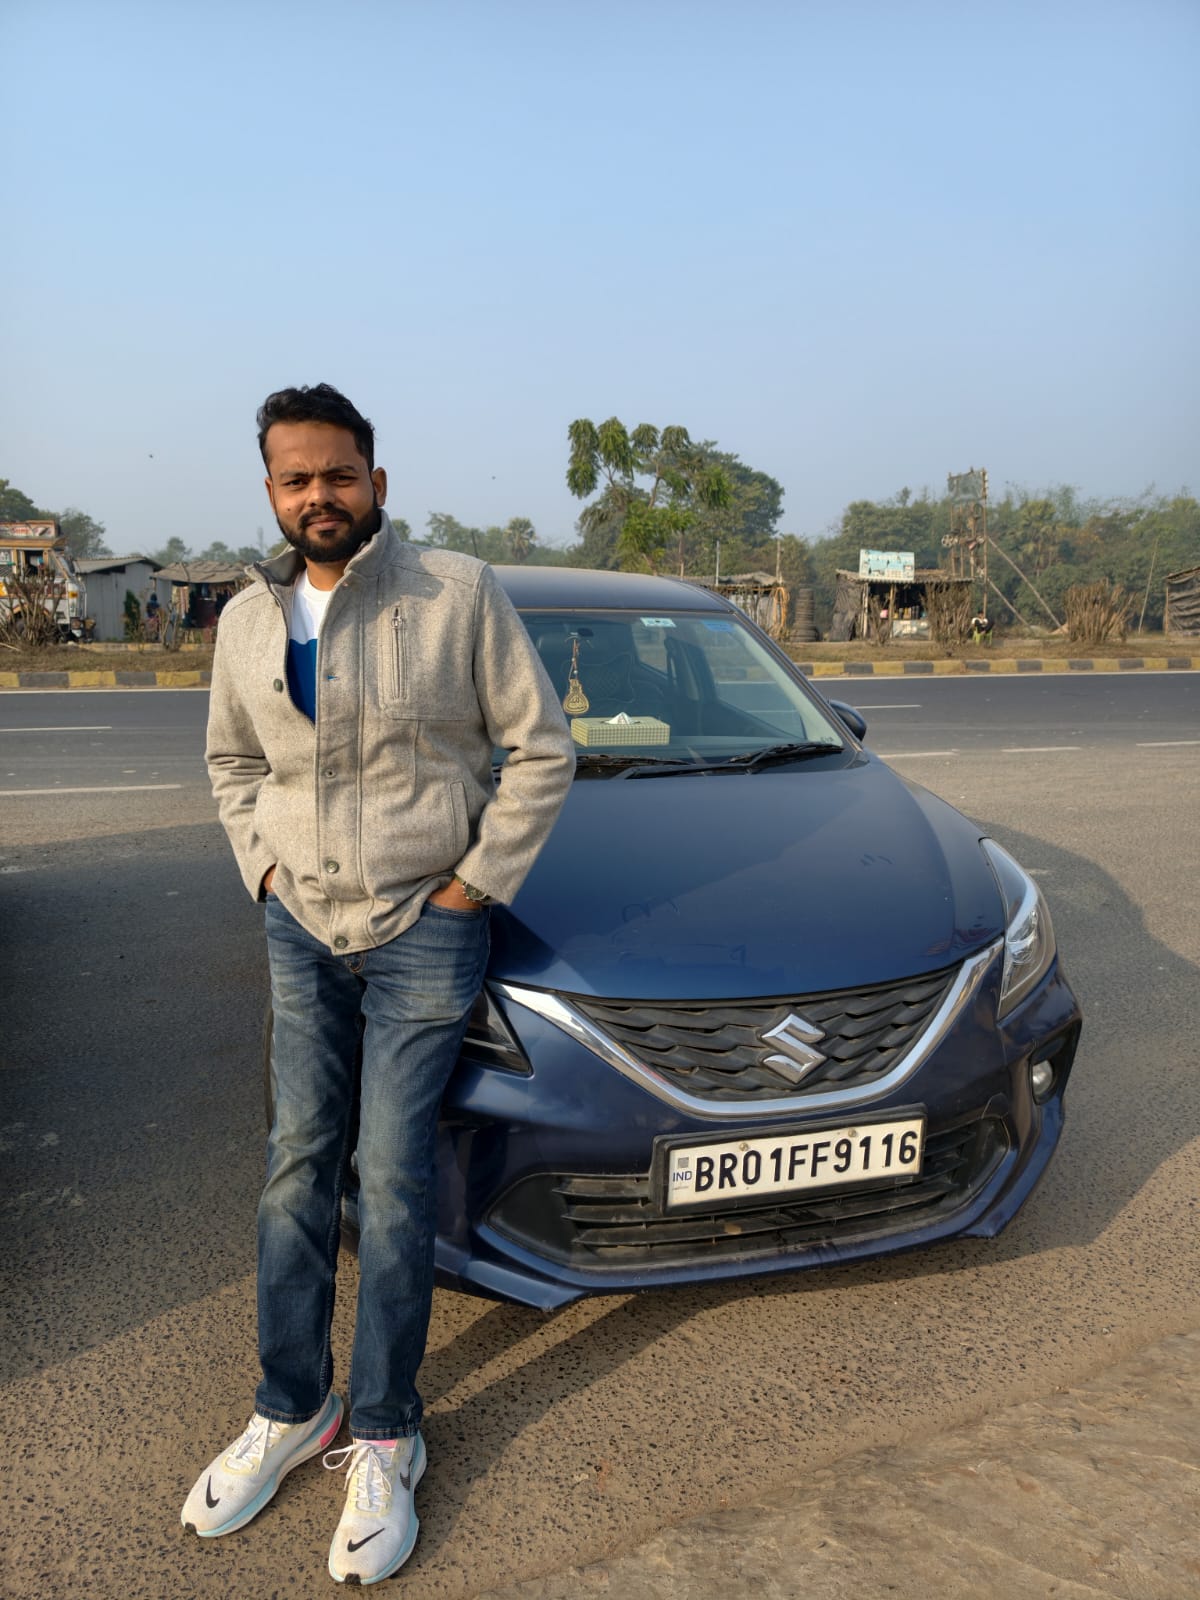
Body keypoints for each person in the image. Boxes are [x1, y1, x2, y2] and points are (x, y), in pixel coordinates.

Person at [183, 383, 575, 1585]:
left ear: (376, 482)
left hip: (424, 928)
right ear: (271, 491)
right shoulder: (246, 619)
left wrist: (470, 888)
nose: (320, 495)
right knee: (297, 1164)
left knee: (395, 1178)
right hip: (301, 926)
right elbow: (232, 762)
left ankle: (390, 1429)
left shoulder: (456, 594)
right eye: (296, 478)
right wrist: (263, 871)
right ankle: (292, 1404)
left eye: (338, 474)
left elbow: (541, 749)